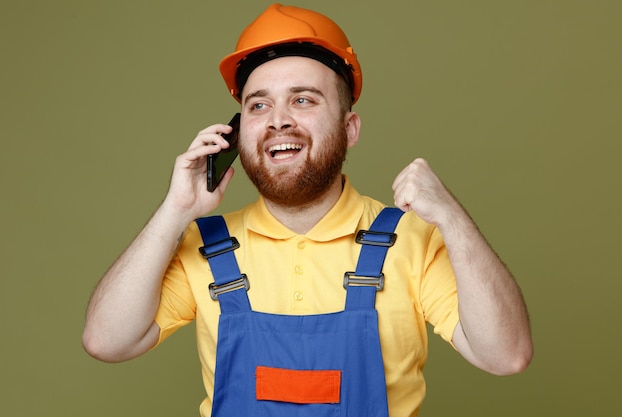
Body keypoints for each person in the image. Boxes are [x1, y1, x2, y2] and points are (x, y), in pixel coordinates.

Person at [82, 4, 533, 416]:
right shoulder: (206, 247)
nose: (278, 119)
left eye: (303, 99)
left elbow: (506, 355)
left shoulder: (413, 240)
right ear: (239, 132)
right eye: (258, 104)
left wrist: (452, 218)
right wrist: (175, 210)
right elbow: (106, 341)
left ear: (349, 127)